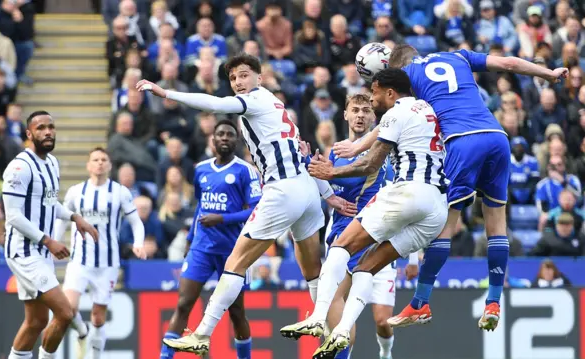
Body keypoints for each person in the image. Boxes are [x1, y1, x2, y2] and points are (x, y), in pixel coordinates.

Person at [333, 44, 568, 331]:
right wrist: (549, 73)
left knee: (446, 223)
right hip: (496, 136)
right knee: (497, 222)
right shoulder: (458, 55)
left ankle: (420, 303)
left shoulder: (409, 77)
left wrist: (356, 145)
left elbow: (391, 123)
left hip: (462, 141)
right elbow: (507, 63)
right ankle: (493, 301)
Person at [137, 53, 339, 355]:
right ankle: (324, 325)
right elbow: (302, 150)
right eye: (233, 78)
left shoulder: (255, 100)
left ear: (259, 77)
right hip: (307, 191)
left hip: (282, 191)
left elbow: (215, 105)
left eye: (244, 75)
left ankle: (202, 334)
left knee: (235, 263)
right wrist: (327, 195)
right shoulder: (275, 103)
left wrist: (167, 93)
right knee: (311, 268)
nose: (238, 82)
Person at [281, 68, 448, 358]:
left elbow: (372, 167)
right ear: (344, 115)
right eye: (357, 107)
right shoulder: (427, 111)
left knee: (347, 257)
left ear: (386, 100)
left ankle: (332, 324)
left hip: (393, 210)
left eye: (371, 99)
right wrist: (324, 179)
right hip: (427, 209)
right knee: (355, 280)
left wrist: (331, 172)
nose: (367, 107)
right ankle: (338, 330)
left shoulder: (391, 127)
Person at [2, 111, 99, 359]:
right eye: (41, 128)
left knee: (35, 322)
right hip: (23, 251)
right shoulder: (19, 167)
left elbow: (49, 203)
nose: (47, 132)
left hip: (40, 251)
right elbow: (13, 216)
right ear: (29, 134)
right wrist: (48, 240)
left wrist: (75, 217)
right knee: (65, 313)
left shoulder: (52, 163)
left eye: (51, 127)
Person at [159, 120, 260, 359]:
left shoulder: (245, 170)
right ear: (212, 140)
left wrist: (222, 219)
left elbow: (256, 210)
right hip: (201, 248)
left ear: (236, 141)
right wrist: (190, 238)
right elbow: (201, 207)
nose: (225, 138)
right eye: (220, 134)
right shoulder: (201, 169)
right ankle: (165, 356)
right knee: (184, 304)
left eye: (229, 135)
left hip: (233, 252)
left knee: (236, 312)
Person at [56, 147, 147, 359]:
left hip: (108, 263)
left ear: (109, 165)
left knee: (98, 317)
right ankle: (82, 331)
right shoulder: (76, 192)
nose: (99, 163)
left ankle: (95, 356)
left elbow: (135, 221)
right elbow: (62, 220)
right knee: (68, 309)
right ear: (88, 165)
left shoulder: (120, 192)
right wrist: (54, 241)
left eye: (103, 159)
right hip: (80, 260)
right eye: (95, 159)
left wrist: (139, 243)